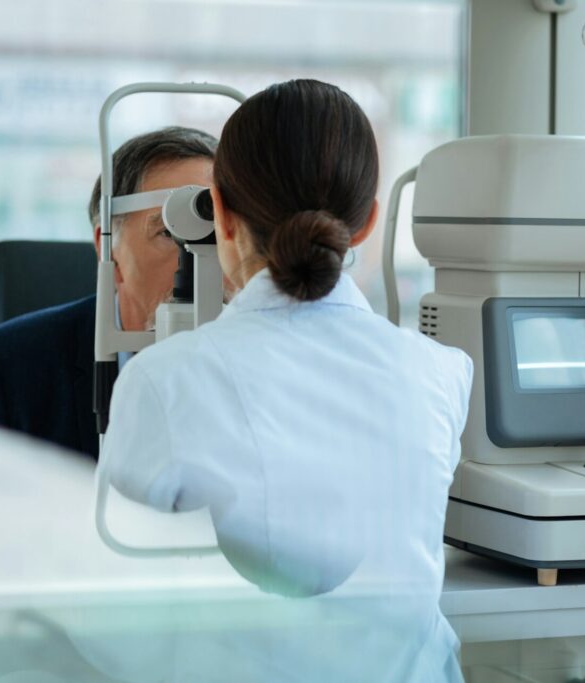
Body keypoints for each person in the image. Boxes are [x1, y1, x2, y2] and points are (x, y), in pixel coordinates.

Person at [99, 79, 473, 681]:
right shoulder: (443, 372)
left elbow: (112, 613)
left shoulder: (164, 380)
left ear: (217, 213)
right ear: (368, 222)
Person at [0, 127, 217, 458]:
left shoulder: (269, 363)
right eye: (171, 231)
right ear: (108, 249)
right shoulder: (9, 368)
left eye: (221, 233)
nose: (204, 255)